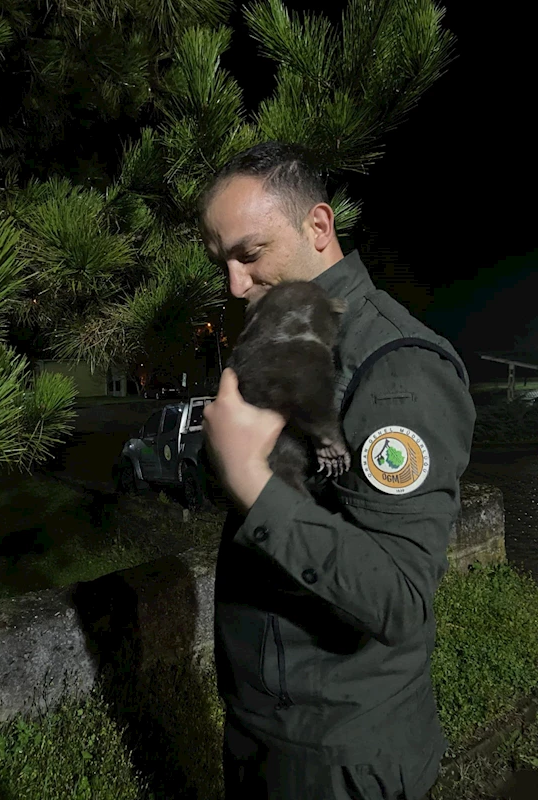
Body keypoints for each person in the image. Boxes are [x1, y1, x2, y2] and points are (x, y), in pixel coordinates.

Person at [199, 141, 476, 800]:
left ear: (317, 227)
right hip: (262, 729)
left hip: (338, 753)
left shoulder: (399, 369)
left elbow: (402, 598)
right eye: (222, 264)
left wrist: (250, 482)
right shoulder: (287, 339)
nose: (235, 286)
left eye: (250, 254)